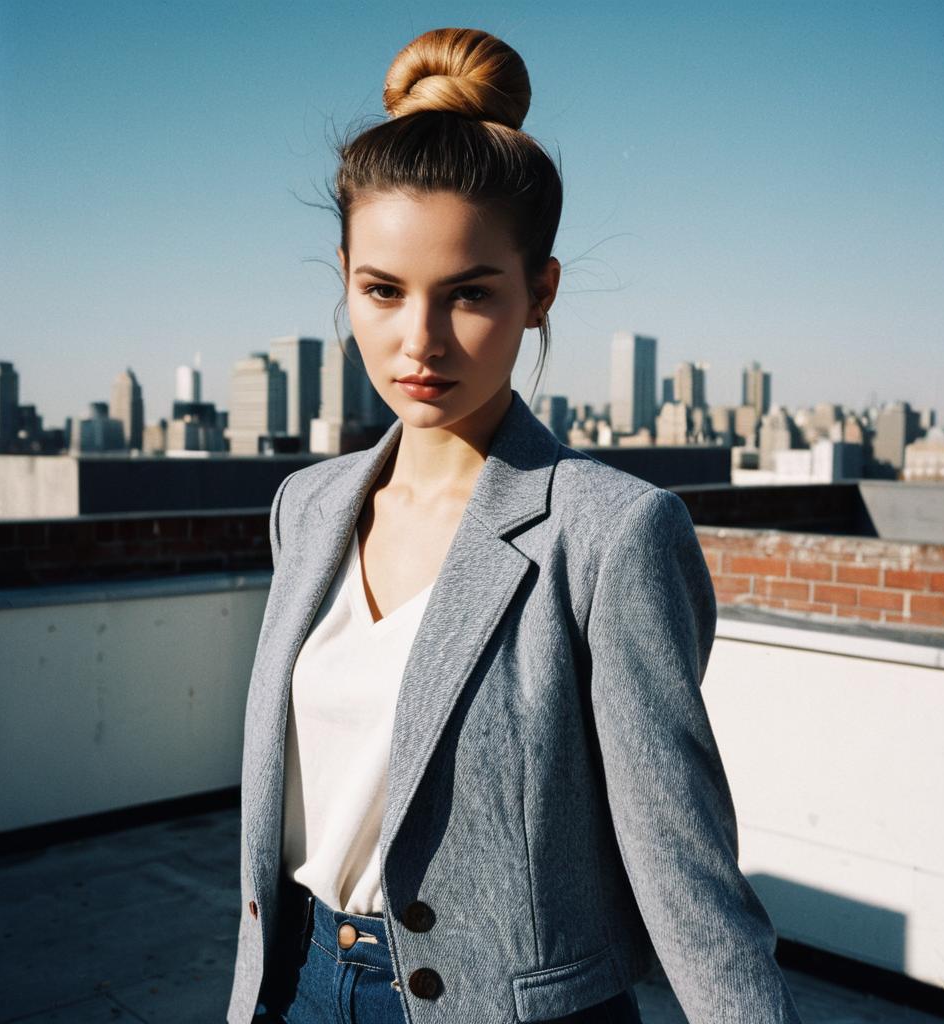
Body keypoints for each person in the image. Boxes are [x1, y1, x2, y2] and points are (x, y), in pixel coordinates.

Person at [228, 26, 803, 1024]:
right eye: (381, 290)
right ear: (344, 275)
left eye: (470, 295)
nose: (419, 342)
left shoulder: (611, 533)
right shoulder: (308, 508)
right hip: (301, 983)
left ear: (539, 292)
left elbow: (682, 862)